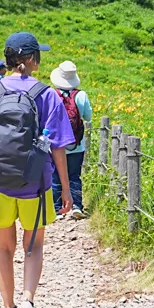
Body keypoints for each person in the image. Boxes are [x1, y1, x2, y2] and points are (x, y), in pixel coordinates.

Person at [0, 32, 73, 308]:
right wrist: (65, 189)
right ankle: (28, 301)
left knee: (4, 247)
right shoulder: (47, 95)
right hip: (36, 184)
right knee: (34, 245)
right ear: (29, 59)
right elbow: (58, 147)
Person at [48, 60, 92, 220]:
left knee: (55, 176)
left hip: (55, 145)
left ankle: (57, 208)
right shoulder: (81, 95)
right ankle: (76, 206)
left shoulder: (51, 94)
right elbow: (88, 117)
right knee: (74, 175)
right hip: (76, 145)